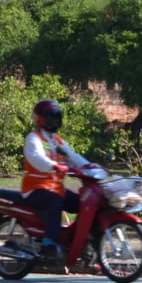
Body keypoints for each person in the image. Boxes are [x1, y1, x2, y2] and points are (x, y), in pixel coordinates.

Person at [21, 98, 88, 259]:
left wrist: (90, 167)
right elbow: (36, 157)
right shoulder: (34, 138)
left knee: (82, 203)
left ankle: (78, 240)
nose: (54, 121)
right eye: (50, 117)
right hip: (35, 188)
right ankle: (48, 243)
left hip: (56, 189)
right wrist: (54, 165)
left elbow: (73, 157)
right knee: (55, 201)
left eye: (56, 117)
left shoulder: (58, 141)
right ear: (40, 119)